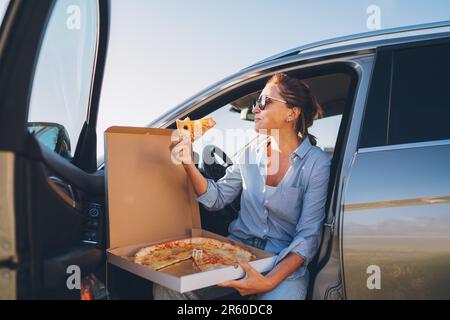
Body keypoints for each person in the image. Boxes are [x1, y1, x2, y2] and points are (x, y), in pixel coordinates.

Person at [153, 73, 331, 300]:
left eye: (265, 102)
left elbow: (308, 236)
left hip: (281, 263)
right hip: (235, 253)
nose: (255, 109)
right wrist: (188, 162)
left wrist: (269, 281)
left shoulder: (318, 163)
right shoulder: (248, 152)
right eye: (257, 102)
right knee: (168, 286)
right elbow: (216, 199)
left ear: (292, 113)